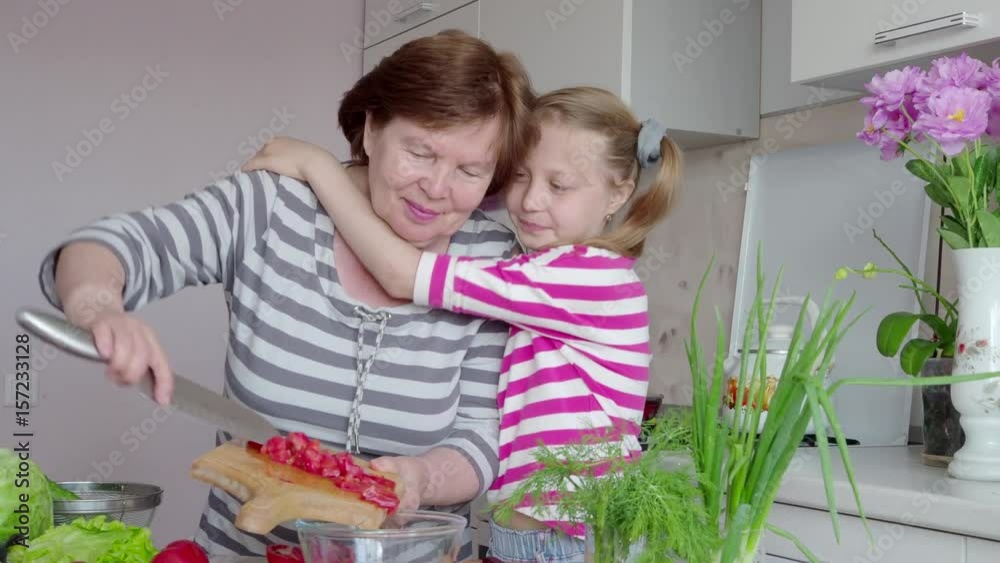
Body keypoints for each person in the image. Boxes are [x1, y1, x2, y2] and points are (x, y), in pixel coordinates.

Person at [36, 30, 535, 559]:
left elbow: (481, 436)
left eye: (469, 170)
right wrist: (100, 308)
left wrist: (419, 478)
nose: (438, 187)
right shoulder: (273, 208)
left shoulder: (494, 261)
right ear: (370, 129)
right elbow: (112, 246)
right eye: (420, 152)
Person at [241, 86, 682, 563]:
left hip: (571, 546)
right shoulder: (555, 266)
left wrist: (318, 168)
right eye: (519, 176)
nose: (531, 200)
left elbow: (400, 273)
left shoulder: (583, 279)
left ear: (618, 192)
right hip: (529, 539)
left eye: (559, 186)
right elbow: (463, 192)